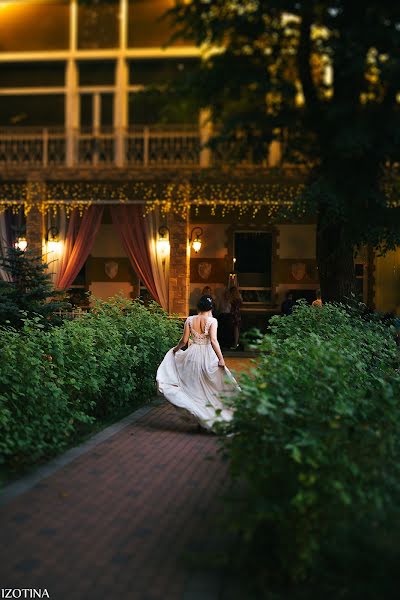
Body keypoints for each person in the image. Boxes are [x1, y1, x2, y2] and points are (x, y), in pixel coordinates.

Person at [156, 295, 239, 431]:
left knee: (195, 388)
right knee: (211, 386)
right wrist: (221, 358)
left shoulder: (189, 319)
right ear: (211, 308)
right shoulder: (212, 321)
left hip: (192, 355)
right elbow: (213, 341)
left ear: (198, 307)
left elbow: (183, 341)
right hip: (207, 356)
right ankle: (208, 418)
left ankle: (201, 420)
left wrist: (175, 350)